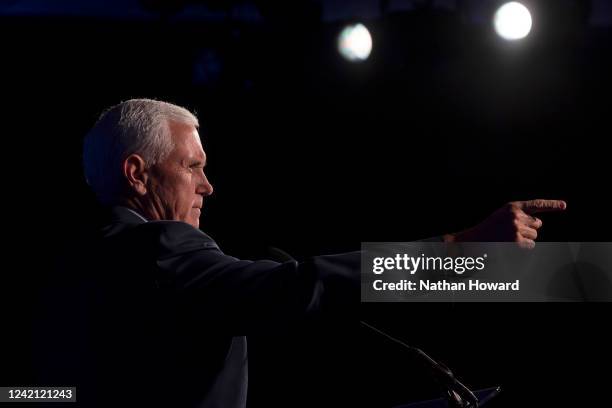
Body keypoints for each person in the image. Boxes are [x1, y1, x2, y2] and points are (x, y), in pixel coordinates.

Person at [57, 98, 565, 407]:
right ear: (137, 173)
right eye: (191, 166)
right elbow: (298, 287)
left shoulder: (71, 267)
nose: (208, 186)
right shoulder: (158, 248)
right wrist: (457, 252)